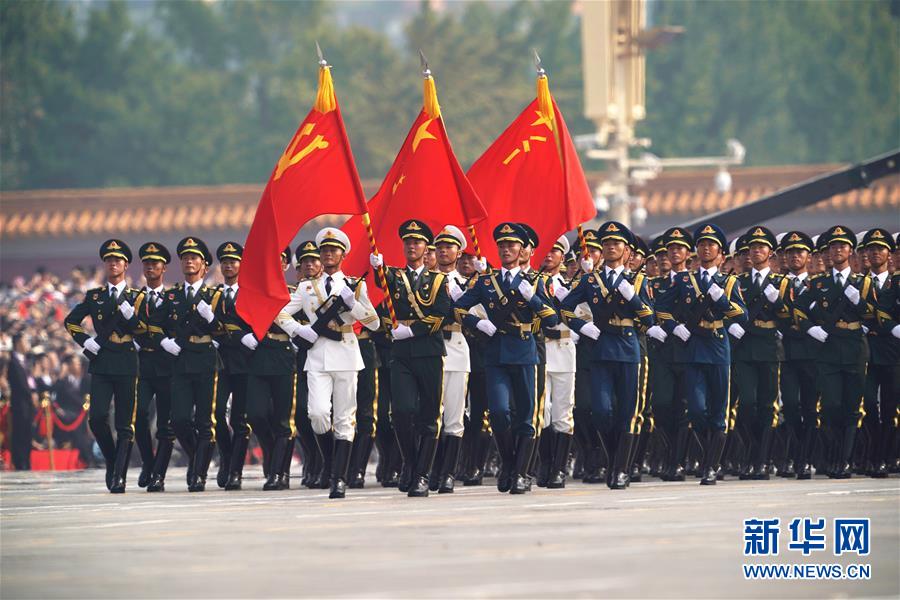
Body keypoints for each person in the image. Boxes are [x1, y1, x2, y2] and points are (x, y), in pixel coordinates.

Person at [453, 222, 558, 494]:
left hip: (524, 351)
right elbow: (458, 308)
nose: (506, 249)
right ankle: (509, 464)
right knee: (498, 412)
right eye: (502, 245)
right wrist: (478, 323)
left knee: (526, 414)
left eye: (511, 245)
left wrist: (533, 299)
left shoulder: (536, 281)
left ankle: (521, 473)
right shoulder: (487, 282)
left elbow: (552, 319)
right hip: (496, 352)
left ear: (522, 250)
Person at [278, 228, 379, 498]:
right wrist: (300, 330)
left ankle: (338, 478)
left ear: (343, 255)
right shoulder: (306, 287)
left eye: (333, 250)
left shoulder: (355, 286)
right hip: (318, 355)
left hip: (346, 353)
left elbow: (374, 323)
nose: (328, 254)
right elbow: (281, 313)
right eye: (324, 250)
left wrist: (353, 305)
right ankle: (333, 464)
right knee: (318, 414)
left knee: (345, 418)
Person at [560, 221, 654, 489]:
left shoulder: (638, 281)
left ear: (627, 250)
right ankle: (613, 460)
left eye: (616, 243)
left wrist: (633, 298)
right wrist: (581, 326)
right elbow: (565, 309)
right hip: (600, 348)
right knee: (601, 412)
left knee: (626, 412)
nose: (611, 247)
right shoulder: (590, 280)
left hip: (628, 349)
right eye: (607, 243)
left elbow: (649, 318)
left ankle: (621, 468)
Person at [656, 224, 747, 485]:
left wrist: (722, 301)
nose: (706, 248)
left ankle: (711, 466)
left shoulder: (729, 282)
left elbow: (742, 315)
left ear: (720, 253)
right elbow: (660, 308)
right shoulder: (685, 280)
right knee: (696, 410)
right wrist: (674, 327)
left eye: (711, 245)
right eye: (702, 244)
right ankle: (708, 458)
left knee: (719, 410)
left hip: (718, 347)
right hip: (693, 347)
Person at [369, 220, 453, 497]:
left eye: (417, 242)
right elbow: (382, 281)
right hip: (402, 355)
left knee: (429, 416)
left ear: (426, 247)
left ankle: (421, 475)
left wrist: (412, 330)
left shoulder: (439, 280)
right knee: (401, 412)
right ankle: (409, 462)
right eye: (407, 242)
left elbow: (441, 314)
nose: (411, 246)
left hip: (429, 352)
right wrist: (377, 267)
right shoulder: (395, 276)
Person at [64, 239, 145, 493]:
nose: (113, 263)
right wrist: (85, 340)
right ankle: (111, 458)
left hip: (127, 361)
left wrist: (133, 319)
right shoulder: (95, 296)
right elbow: (71, 321)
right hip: (102, 361)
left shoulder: (137, 297)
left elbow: (146, 332)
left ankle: (119, 474)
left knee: (125, 423)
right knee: (97, 418)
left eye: (117, 260)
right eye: (109, 260)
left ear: (126, 265)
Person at [157, 237, 222, 492]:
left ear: (204, 265)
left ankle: (199, 474)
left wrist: (211, 318)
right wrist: (164, 342)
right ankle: (197, 457)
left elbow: (225, 330)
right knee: (179, 419)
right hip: (181, 360)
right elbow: (155, 325)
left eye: (194, 258)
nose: (188, 261)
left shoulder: (214, 295)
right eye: (185, 258)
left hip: (205, 359)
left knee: (205, 421)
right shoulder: (172, 295)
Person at [728, 226, 789, 480]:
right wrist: (731, 324)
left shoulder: (780, 283)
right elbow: (728, 310)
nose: (755, 251)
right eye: (752, 248)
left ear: (770, 253)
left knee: (767, 405)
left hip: (769, 348)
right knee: (746, 404)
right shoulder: (738, 282)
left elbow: (790, 318)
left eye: (761, 247)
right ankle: (749, 455)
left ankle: (762, 460)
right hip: (745, 348)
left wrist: (779, 303)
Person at [430, 225, 472, 493]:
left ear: (459, 252)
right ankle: (430, 470)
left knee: (454, 417)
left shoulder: (468, 285)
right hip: (431, 348)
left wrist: (463, 301)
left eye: (449, 247)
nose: (443, 251)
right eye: (440, 247)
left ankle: (447, 473)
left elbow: (481, 316)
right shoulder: (424, 281)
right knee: (430, 414)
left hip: (456, 347)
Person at [211, 242, 255, 490]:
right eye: (225, 262)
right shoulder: (214, 295)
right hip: (221, 362)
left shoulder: (249, 294)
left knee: (240, 419)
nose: (228, 265)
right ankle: (226, 457)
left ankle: (235, 471)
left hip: (245, 362)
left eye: (233, 261)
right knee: (216, 413)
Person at [775, 231, 820, 479]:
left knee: (811, 408)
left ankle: (806, 458)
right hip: (787, 354)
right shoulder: (777, 284)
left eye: (800, 252)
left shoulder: (819, 285)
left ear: (808, 256)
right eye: (790, 252)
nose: (795, 256)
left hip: (813, 354)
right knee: (790, 406)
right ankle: (794, 455)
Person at [539, 235, 578, 488]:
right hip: (540, 350)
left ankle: (559, 468)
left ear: (562, 257)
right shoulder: (530, 283)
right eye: (545, 250)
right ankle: (544, 463)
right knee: (542, 412)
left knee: (563, 413)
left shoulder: (572, 285)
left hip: (563, 349)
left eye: (554, 251)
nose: (548, 255)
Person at [134, 242, 173, 489]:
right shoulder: (134, 299)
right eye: (147, 263)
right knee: (138, 416)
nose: (150, 267)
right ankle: (148, 462)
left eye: (155, 263)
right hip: (143, 365)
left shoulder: (173, 297)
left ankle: (159, 473)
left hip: (168, 366)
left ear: (163, 268)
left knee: (166, 424)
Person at [859, 228, 897, 477]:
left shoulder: (897, 283)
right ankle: (872, 456)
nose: (875, 253)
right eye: (871, 249)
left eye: (880, 249)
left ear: (888, 254)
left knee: (890, 408)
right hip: (866, 352)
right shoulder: (857, 282)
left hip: (893, 352)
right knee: (869, 405)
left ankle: (886, 456)